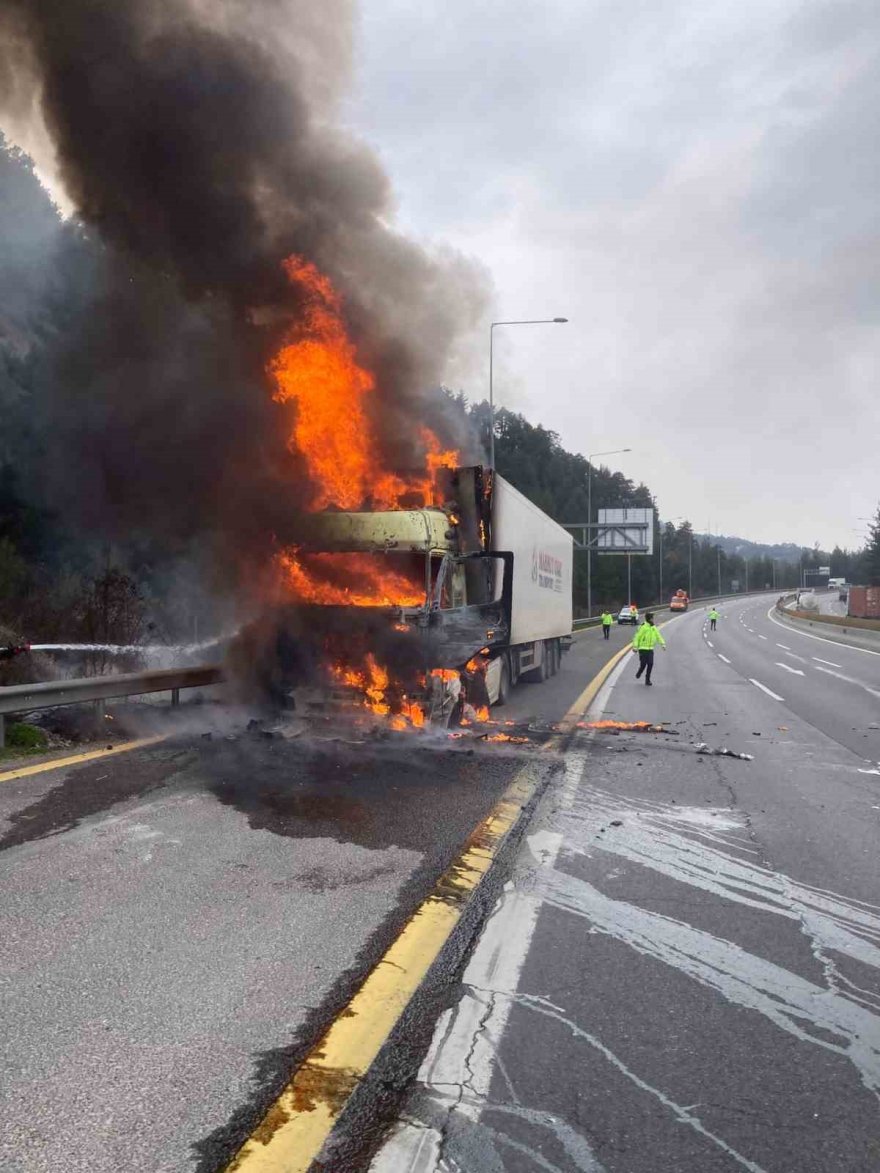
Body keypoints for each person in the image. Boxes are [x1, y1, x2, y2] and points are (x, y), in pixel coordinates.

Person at [632, 612, 665, 685]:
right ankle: (640, 672)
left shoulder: (653, 627)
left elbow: (658, 635)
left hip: (650, 649)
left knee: (650, 664)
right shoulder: (643, 627)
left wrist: (663, 644)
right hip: (643, 649)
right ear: (649, 619)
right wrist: (635, 647)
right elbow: (637, 637)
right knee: (643, 664)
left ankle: (647, 679)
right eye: (652, 618)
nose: (653, 619)